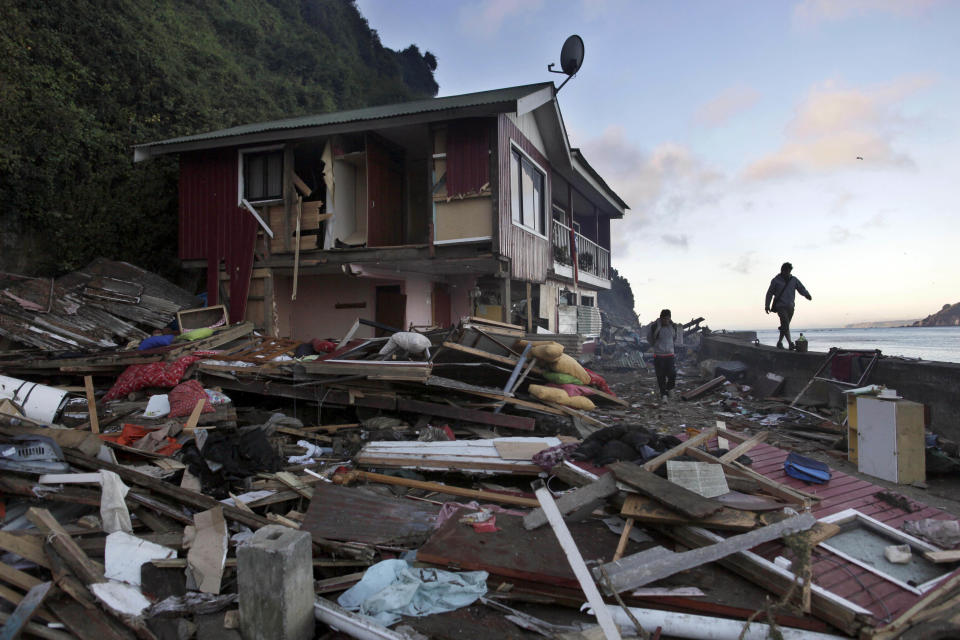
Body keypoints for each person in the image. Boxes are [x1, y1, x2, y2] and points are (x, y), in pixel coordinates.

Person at [765, 262, 812, 350]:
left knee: (785, 326)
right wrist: (767, 305)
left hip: (790, 306)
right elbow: (769, 293)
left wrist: (807, 295)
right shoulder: (776, 280)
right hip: (780, 306)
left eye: (789, 271)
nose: (788, 273)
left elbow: (801, 288)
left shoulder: (793, 279)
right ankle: (790, 343)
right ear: (782, 271)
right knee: (785, 324)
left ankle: (779, 342)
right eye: (787, 271)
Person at [648, 309, 681, 400]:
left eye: (667, 319)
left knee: (672, 374)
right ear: (661, 318)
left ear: (670, 318)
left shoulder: (673, 326)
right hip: (659, 355)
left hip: (670, 355)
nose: (665, 321)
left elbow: (674, 338)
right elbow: (650, 339)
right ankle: (664, 394)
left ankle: (670, 388)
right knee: (660, 376)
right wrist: (656, 346)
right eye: (663, 319)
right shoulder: (655, 326)